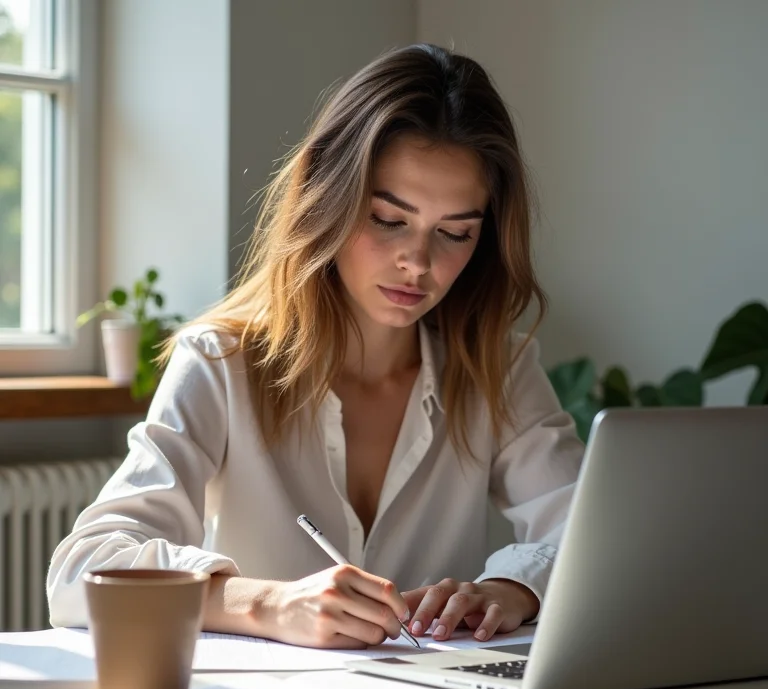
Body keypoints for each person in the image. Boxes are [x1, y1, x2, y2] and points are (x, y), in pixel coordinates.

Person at [47, 43, 584, 650]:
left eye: (455, 233)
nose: (418, 262)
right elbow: (81, 571)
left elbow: (592, 534)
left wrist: (516, 589)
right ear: (327, 196)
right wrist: (268, 603)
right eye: (388, 219)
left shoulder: (499, 368)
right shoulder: (220, 362)